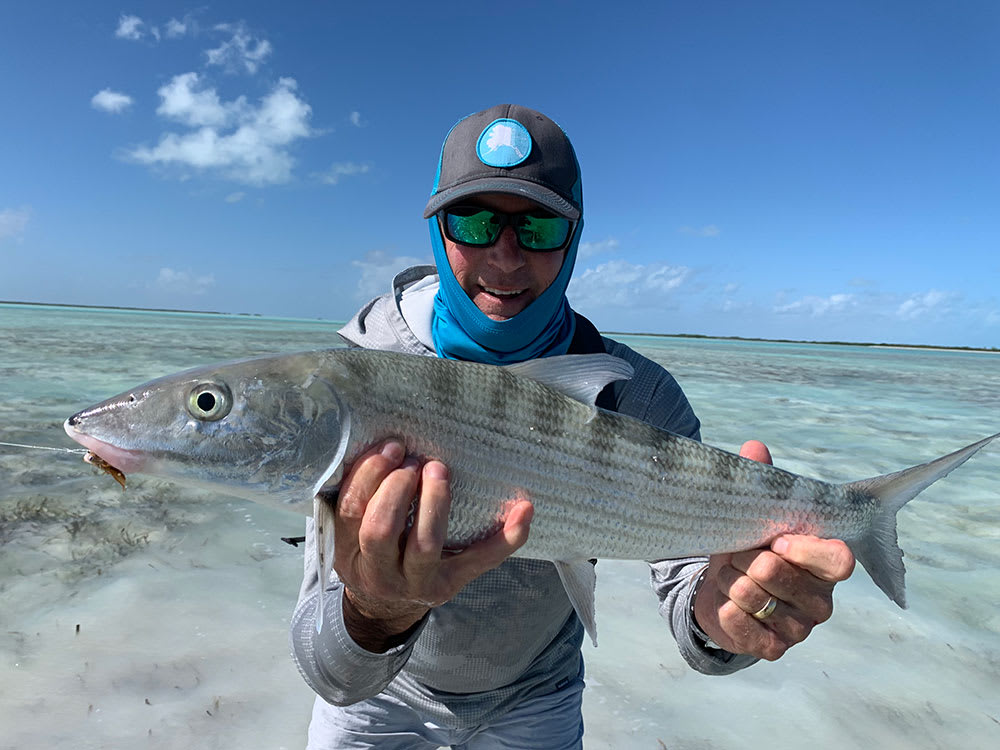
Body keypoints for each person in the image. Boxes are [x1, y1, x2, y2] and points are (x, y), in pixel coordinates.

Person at [289, 104, 855, 749]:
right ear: (439, 232)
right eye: (473, 222)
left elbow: (695, 606)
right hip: (384, 700)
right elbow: (331, 673)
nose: (504, 257)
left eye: (538, 228)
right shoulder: (358, 384)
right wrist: (375, 612)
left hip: (540, 697)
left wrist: (730, 616)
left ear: (575, 236)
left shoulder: (635, 391)